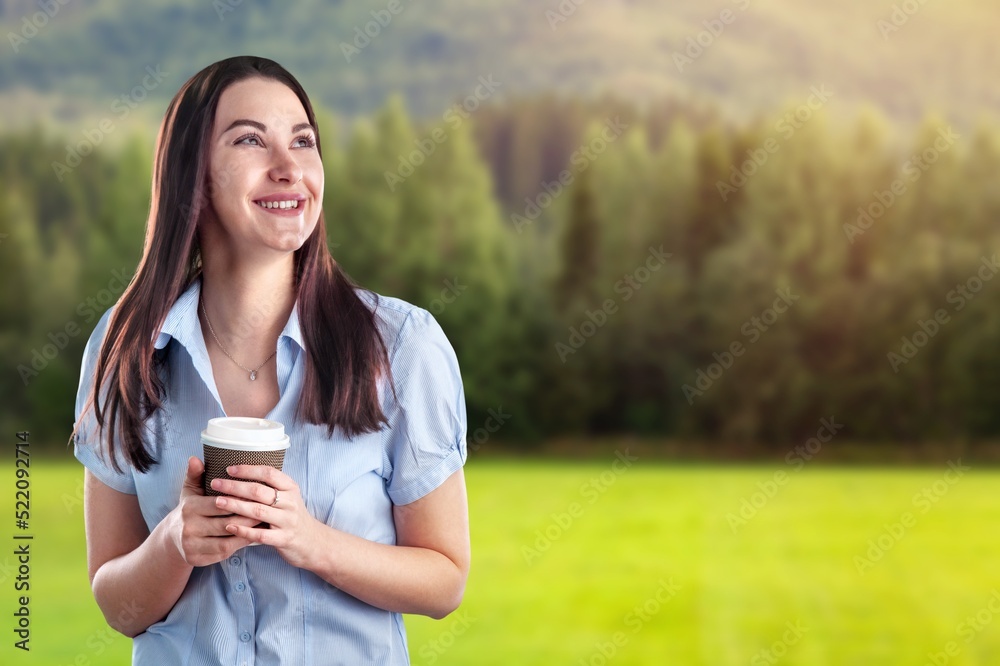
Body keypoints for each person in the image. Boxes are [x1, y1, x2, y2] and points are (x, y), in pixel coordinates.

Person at [71, 55, 470, 665]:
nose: (289, 169)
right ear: (193, 175)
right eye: (251, 139)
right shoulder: (124, 347)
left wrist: (309, 541)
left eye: (303, 142)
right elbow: (116, 605)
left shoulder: (400, 345)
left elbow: (445, 581)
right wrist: (177, 541)